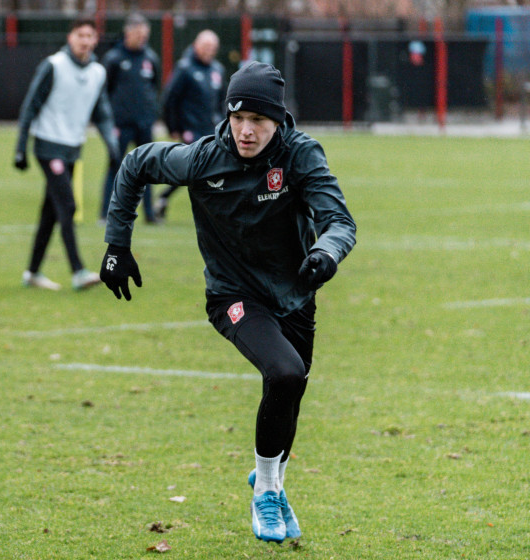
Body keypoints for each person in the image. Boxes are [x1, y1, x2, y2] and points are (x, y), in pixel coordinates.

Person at [100, 62, 356, 543]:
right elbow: (134, 165)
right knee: (283, 372)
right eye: (237, 118)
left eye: (258, 121)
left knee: (291, 389)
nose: (245, 130)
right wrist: (118, 245)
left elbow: (340, 220)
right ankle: (266, 493)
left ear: (278, 121)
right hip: (233, 296)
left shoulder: (299, 156)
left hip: (296, 292)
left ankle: (270, 477)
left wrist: (326, 252)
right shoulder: (202, 159)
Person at [13, 18, 118, 291]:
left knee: (51, 211)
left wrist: (112, 145)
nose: (85, 40)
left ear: (95, 40)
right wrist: (20, 147)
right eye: (80, 35)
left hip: (72, 150)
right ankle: (78, 271)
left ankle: (32, 272)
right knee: (68, 206)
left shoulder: (97, 72)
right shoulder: (54, 65)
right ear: (70, 37)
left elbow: (102, 113)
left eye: (90, 36)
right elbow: (30, 106)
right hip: (48, 147)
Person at [154, 29, 224, 220]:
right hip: (190, 130)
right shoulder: (185, 68)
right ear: (196, 46)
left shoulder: (217, 70)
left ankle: (210, 209)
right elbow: (170, 100)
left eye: (213, 48)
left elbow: (220, 101)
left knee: (208, 170)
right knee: (191, 170)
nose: (209, 51)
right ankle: (165, 198)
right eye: (206, 46)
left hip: (211, 130)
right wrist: (174, 127)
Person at [101, 13, 160, 225]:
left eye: (145, 34)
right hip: (120, 125)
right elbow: (105, 91)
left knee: (147, 170)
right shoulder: (114, 58)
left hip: (144, 123)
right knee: (115, 166)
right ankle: (105, 213)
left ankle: (150, 215)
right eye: (138, 34)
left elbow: (154, 86)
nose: (142, 38)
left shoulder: (151, 58)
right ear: (128, 32)